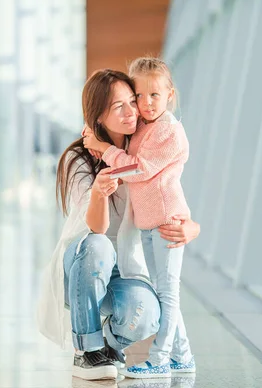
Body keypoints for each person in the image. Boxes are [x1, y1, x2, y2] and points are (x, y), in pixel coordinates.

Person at [36, 69, 200, 381]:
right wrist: (98, 192)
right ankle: (87, 349)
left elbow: (168, 194)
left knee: (149, 312)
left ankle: (111, 347)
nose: (132, 111)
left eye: (132, 101)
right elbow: (94, 230)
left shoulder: (142, 150)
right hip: (83, 269)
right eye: (118, 106)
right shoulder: (79, 160)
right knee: (98, 246)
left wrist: (192, 227)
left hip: (124, 271)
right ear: (98, 117)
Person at [83, 57, 195, 379]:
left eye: (153, 96)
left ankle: (160, 358)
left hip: (167, 223)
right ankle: (183, 356)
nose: (144, 104)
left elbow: (137, 169)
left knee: (168, 292)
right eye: (138, 96)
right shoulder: (146, 126)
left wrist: (104, 148)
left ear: (170, 94)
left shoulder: (170, 132)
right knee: (164, 291)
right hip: (150, 224)